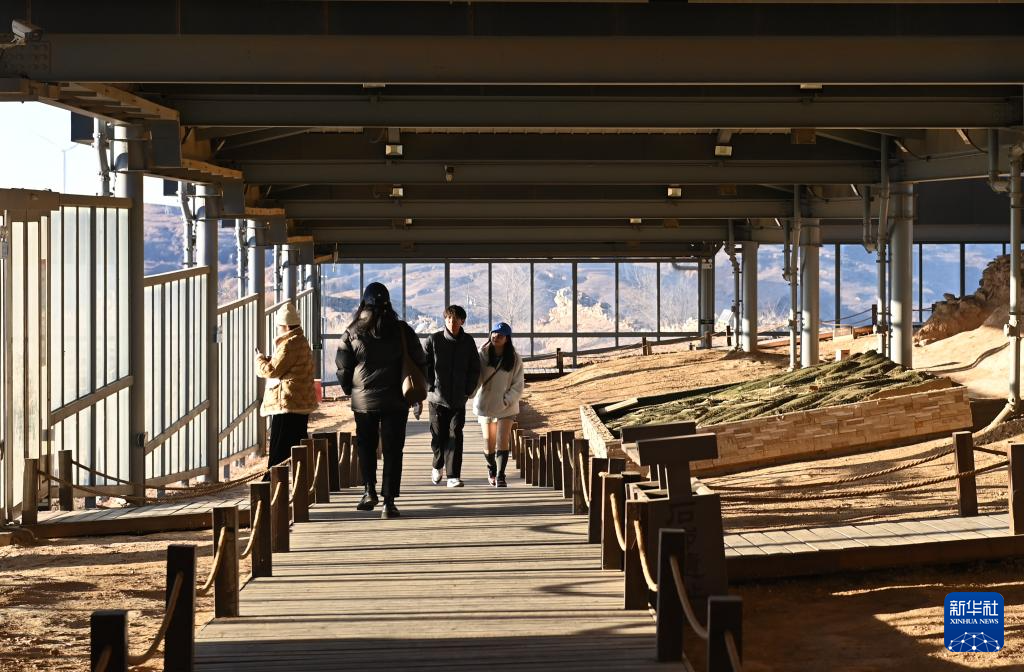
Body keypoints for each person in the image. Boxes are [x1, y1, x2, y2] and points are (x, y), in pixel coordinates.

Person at [336, 282, 426, 519]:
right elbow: (420, 360)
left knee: (366, 445)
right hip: (396, 400)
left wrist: (350, 390)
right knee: (393, 449)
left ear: (363, 303)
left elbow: (343, 366)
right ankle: (389, 502)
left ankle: (369, 490)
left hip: (364, 401)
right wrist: (418, 392)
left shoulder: (352, 331)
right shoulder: (402, 330)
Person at [255, 302, 318, 478]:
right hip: (300, 402)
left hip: (288, 404)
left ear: (286, 326)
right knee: (297, 447)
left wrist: (259, 359)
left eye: (279, 326)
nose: (278, 330)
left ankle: (271, 483)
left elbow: (271, 371)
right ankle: (302, 481)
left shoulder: (289, 344)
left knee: (279, 449)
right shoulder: (301, 341)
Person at [424, 305, 481, 487]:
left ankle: (453, 475)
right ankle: (437, 464)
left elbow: (475, 368)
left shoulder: (468, 342)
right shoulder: (434, 340)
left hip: (458, 398)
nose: (452, 322)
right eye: (448, 319)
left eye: (455, 320)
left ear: (462, 321)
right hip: (437, 399)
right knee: (438, 436)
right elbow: (424, 365)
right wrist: (430, 386)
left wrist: (468, 389)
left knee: (455, 434)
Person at [473, 322, 525, 487]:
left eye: (500, 335)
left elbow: (518, 385)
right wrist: (468, 393)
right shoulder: (482, 355)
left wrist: (506, 400)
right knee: (489, 442)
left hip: (506, 406)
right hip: (486, 404)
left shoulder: (515, 359)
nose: (496, 337)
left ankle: (501, 475)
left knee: (502, 440)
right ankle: (492, 468)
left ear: (507, 339)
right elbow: (475, 378)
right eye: (494, 333)